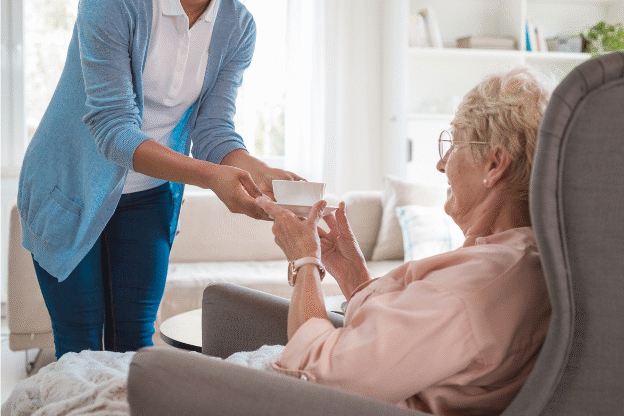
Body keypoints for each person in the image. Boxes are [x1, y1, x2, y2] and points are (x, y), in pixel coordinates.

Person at [255, 67, 552, 416]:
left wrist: (305, 260)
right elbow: (411, 345)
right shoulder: (518, 259)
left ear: (494, 163)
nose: (441, 164)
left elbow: (314, 378)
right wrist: (353, 276)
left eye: (454, 143)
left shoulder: (473, 289)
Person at [17, 0, 300, 359]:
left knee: (136, 345)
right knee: (80, 347)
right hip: (68, 188)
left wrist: (260, 172)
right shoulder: (112, 6)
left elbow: (213, 129)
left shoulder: (237, 26)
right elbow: (113, 127)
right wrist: (211, 178)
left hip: (150, 194)